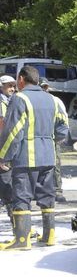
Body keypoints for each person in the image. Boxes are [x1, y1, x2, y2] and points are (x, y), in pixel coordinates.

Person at [0, 66, 69, 250]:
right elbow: (63, 126)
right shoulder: (52, 99)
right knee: (47, 196)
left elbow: (13, 131)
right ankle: (49, 236)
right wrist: (53, 138)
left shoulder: (20, 98)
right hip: (48, 157)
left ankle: (22, 240)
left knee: (21, 196)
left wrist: (3, 156)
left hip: (26, 158)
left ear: (22, 79)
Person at [40, 77, 68, 203]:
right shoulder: (34, 101)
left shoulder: (55, 101)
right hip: (37, 138)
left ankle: (57, 191)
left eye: (45, 87)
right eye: (41, 87)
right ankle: (40, 191)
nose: (44, 89)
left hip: (52, 139)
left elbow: (63, 119)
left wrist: (61, 136)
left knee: (55, 165)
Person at [0, 75, 16, 216]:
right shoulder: (1, 103)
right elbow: (2, 128)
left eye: (13, 86)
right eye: (8, 85)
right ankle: (18, 228)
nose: (11, 88)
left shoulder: (13, 101)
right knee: (7, 188)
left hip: (8, 149)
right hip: (3, 151)